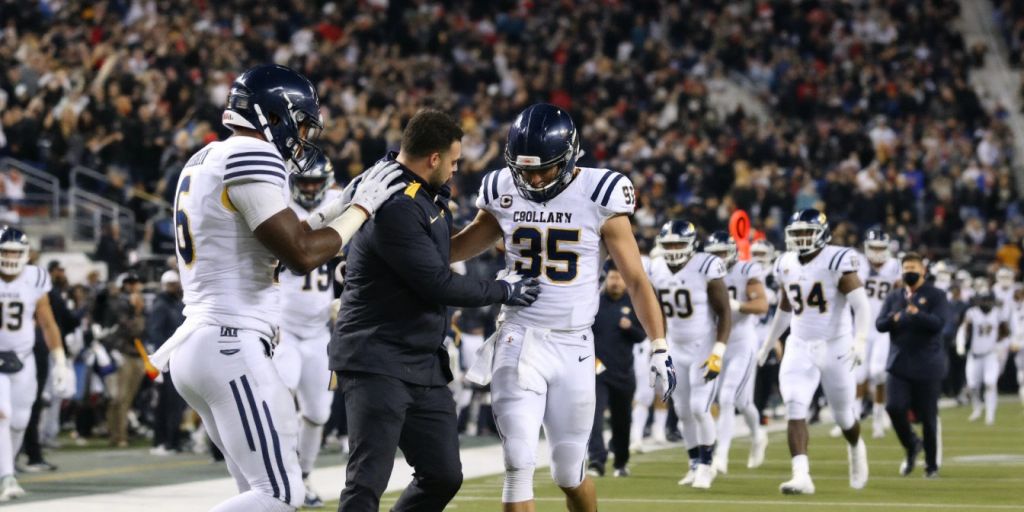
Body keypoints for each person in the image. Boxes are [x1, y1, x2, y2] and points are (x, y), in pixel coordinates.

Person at [149, 64, 404, 512]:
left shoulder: (206, 157)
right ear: (276, 114)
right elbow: (301, 253)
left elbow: (274, 236)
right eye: (302, 121)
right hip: (230, 343)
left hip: (207, 341)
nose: (304, 134)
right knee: (282, 494)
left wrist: (340, 205)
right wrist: (361, 209)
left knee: (258, 496)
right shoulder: (254, 154)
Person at [452, 104, 673, 511]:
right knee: (518, 462)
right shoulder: (502, 188)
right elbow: (459, 246)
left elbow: (638, 280)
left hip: (574, 345)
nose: (533, 179)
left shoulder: (600, 193)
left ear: (570, 157)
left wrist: (659, 344)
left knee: (569, 473)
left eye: (545, 169)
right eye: (525, 169)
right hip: (518, 337)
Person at [330, 109, 541, 512]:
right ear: (433, 158)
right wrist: (503, 290)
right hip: (378, 355)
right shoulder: (397, 203)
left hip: (420, 358)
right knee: (366, 482)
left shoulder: (419, 191)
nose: (456, 168)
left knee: (443, 474)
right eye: (454, 160)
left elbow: (437, 263)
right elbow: (435, 282)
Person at [757, 209, 872, 494]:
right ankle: (801, 475)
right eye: (796, 234)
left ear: (821, 234)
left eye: (807, 232)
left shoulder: (836, 259)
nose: (801, 238)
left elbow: (861, 305)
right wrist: (769, 342)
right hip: (799, 344)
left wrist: (860, 339)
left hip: (836, 345)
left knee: (844, 415)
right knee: (795, 406)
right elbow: (786, 307)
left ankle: (856, 447)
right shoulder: (785, 263)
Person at [272, 151, 342, 508]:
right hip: (284, 326)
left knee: (318, 413)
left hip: (319, 331)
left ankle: (302, 476)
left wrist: (345, 296)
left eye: (317, 182)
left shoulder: (339, 204)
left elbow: (352, 260)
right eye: (305, 182)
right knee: (280, 400)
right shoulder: (279, 207)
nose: (311, 188)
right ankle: (278, 478)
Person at [646, 221, 731, 489]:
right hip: (675, 346)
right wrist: (658, 345)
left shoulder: (706, 265)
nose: (672, 250)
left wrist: (718, 350)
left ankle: (707, 464)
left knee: (699, 407)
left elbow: (725, 312)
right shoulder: (656, 267)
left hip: (702, 346)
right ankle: (694, 463)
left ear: (692, 244)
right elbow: (657, 309)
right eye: (668, 244)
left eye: (678, 244)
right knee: (682, 411)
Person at [0, 227, 72, 501]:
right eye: (4, 251)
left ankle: (7, 468)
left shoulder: (35, 278)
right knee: (2, 413)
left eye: (14, 252)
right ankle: (7, 477)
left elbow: (47, 321)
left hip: (23, 357)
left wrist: (60, 361)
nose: (9, 257)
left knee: (19, 421)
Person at [875, 252, 949, 477]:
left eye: (913, 267)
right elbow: (880, 324)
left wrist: (916, 314)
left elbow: (939, 324)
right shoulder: (895, 295)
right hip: (899, 363)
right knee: (893, 407)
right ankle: (911, 445)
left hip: (927, 364)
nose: (909, 271)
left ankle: (931, 466)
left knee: (928, 416)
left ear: (923, 271)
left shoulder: (936, 295)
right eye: (906, 267)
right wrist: (893, 319)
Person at [704, 231, 769, 475]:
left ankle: (721, 456)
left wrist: (738, 306)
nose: (718, 258)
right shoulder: (701, 271)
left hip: (741, 340)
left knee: (729, 396)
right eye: (713, 254)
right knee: (742, 401)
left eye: (722, 252)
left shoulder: (745, 270)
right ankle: (758, 435)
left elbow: (762, 305)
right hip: (714, 340)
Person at [586, 261, 646, 478]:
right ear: (606, 279)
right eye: (612, 277)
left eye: (619, 278)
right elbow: (584, 335)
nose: (615, 282)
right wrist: (592, 361)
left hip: (624, 372)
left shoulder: (634, 304)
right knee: (594, 417)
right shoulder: (595, 303)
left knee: (622, 420)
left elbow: (642, 336)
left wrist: (630, 328)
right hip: (598, 371)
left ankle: (621, 461)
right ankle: (596, 460)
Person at [856, 229, 901, 439]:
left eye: (880, 248)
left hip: (883, 327)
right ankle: (853, 418)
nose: (876, 252)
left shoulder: (894, 267)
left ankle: (878, 418)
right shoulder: (858, 265)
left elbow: (903, 293)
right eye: (873, 248)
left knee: (878, 373)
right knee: (858, 375)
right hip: (861, 326)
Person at [104, 273, 147, 448]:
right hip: (122, 353)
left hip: (136, 353)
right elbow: (133, 330)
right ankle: (119, 435)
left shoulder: (136, 303)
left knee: (126, 398)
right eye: (129, 283)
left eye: (135, 283)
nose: (133, 286)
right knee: (121, 397)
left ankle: (117, 433)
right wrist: (137, 311)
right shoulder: (118, 304)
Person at [147, 270, 185, 455]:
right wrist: (164, 358)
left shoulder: (176, 304)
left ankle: (169, 440)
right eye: (171, 284)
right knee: (169, 403)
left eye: (175, 283)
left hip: (176, 359)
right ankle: (167, 441)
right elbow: (156, 333)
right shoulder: (161, 305)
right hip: (167, 362)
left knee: (171, 403)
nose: (175, 286)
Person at [956, 292, 1007, 426]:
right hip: (974, 355)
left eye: (988, 301)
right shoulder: (972, 313)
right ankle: (977, 408)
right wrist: (960, 344)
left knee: (990, 384)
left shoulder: (997, 313)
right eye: (983, 301)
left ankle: (990, 415)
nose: (986, 304)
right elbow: (962, 329)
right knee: (973, 386)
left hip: (990, 355)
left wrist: (1001, 347)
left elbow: (1005, 332)